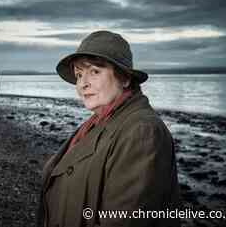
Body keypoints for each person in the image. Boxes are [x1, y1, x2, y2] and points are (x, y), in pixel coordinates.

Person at [38, 31, 180, 227]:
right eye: (79, 75)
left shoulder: (142, 131)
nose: (82, 84)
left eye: (94, 71)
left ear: (124, 79)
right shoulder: (99, 120)